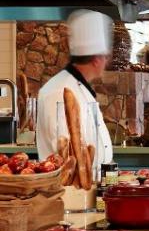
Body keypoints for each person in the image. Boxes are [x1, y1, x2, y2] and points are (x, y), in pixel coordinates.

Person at [37, 9, 114, 163]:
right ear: (97, 60)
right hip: (69, 179)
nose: (106, 62)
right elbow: (67, 152)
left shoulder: (80, 87)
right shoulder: (60, 91)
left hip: (93, 177)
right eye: (105, 57)